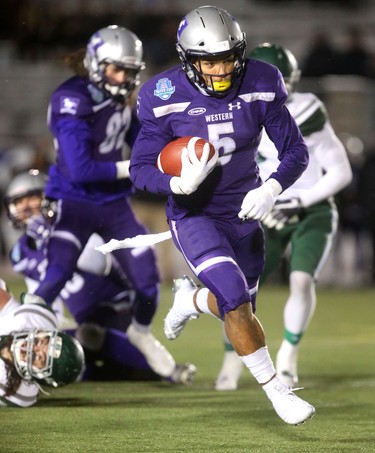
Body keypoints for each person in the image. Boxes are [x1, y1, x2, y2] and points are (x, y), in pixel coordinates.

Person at [129, 6, 315, 425]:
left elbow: (296, 151)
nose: (223, 69)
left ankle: (191, 298)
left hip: (244, 210)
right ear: (187, 60)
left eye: (230, 57)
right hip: (195, 214)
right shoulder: (160, 95)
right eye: (210, 61)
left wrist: (271, 188)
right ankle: (278, 393)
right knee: (233, 294)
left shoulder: (262, 81)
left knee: (241, 307)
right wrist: (176, 185)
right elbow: (140, 170)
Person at [22, 25, 189, 381]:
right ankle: (20, 340)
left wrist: (176, 149)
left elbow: (142, 138)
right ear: (97, 65)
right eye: (117, 69)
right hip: (74, 199)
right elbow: (80, 169)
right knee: (58, 272)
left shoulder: (120, 98)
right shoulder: (71, 99)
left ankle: (140, 334)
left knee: (147, 279)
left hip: (113, 202)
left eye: (130, 71)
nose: (124, 78)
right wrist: (136, 165)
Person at [214, 43, 353, 390]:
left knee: (302, 280)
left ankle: (288, 357)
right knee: (237, 289)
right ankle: (232, 358)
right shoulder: (229, 109)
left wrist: (299, 200)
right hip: (263, 208)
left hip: (309, 208)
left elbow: (340, 171)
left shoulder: (305, 110)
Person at [4, 169, 196, 384]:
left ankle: (169, 371)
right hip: (86, 318)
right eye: (19, 202)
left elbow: (98, 262)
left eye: (32, 197)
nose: (26, 207)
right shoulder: (20, 253)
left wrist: (56, 243)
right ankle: (115, 372)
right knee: (64, 352)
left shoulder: (74, 223)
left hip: (117, 307)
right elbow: (40, 298)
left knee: (89, 335)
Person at [0, 278, 84, 407]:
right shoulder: (36, 321)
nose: (33, 347)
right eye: (42, 342)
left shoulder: (17, 391)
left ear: (42, 376)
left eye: (40, 357)